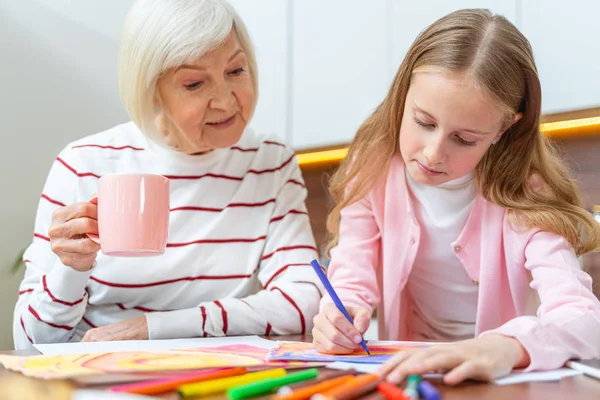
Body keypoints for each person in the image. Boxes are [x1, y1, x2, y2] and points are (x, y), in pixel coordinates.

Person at [312, 8, 600, 385]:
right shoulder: (372, 172)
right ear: (403, 95)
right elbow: (352, 279)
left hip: (499, 384)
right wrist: (341, 315)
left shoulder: (524, 195)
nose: (433, 153)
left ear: (504, 128)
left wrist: (508, 346)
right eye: (424, 122)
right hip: (413, 376)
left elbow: (583, 319)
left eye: (464, 139)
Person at [14, 0, 323, 349]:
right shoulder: (83, 164)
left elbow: (304, 301)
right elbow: (30, 343)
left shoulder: (270, 162)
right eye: (194, 84)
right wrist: (71, 268)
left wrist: (156, 327)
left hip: (213, 376)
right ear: (151, 90)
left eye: (236, 71)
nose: (226, 100)